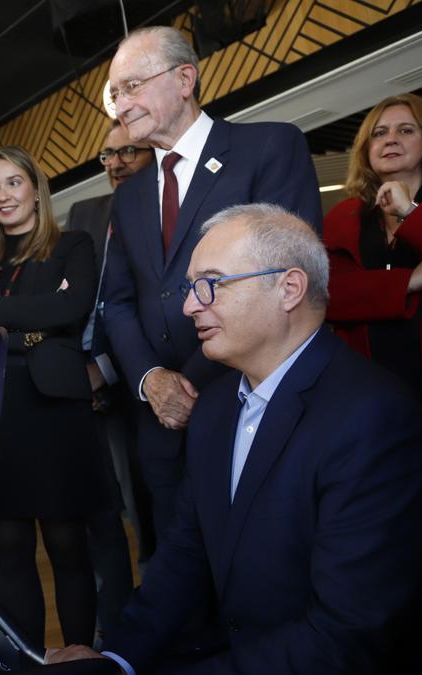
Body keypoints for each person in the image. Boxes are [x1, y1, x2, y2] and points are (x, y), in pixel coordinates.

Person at [49, 203, 422, 674]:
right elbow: (186, 556)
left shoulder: (374, 420)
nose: (188, 306)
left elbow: (344, 636)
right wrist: (116, 660)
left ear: (289, 288)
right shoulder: (216, 408)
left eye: (211, 284)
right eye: (189, 287)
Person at [101, 25, 321, 543]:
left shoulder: (267, 147)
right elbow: (118, 301)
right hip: (158, 419)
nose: (120, 105)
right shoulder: (128, 197)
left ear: (184, 78)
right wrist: (151, 379)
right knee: (182, 568)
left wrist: (191, 381)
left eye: (131, 86)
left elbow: (287, 273)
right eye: (114, 95)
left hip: (248, 403)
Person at [0, 145, 113, 648]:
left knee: (69, 547)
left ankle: (79, 655)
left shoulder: (73, 244)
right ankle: (25, 662)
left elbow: (71, 307)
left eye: (13, 183)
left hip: (57, 413)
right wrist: (33, 323)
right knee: (8, 551)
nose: (3, 196)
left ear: (35, 190)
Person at [322, 93, 422, 496]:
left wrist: (412, 215)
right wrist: (409, 283)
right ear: (366, 149)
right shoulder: (343, 217)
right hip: (372, 392)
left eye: (405, 130)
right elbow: (329, 296)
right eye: (379, 133)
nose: (391, 139)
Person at [66, 122, 155, 641]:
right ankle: (116, 629)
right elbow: (77, 300)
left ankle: (162, 615)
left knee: (147, 507)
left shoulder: (166, 211)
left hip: (141, 380)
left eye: (129, 151)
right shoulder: (84, 215)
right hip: (79, 387)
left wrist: (106, 368)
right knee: (99, 516)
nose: (116, 163)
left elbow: (151, 309)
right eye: (108, 153)